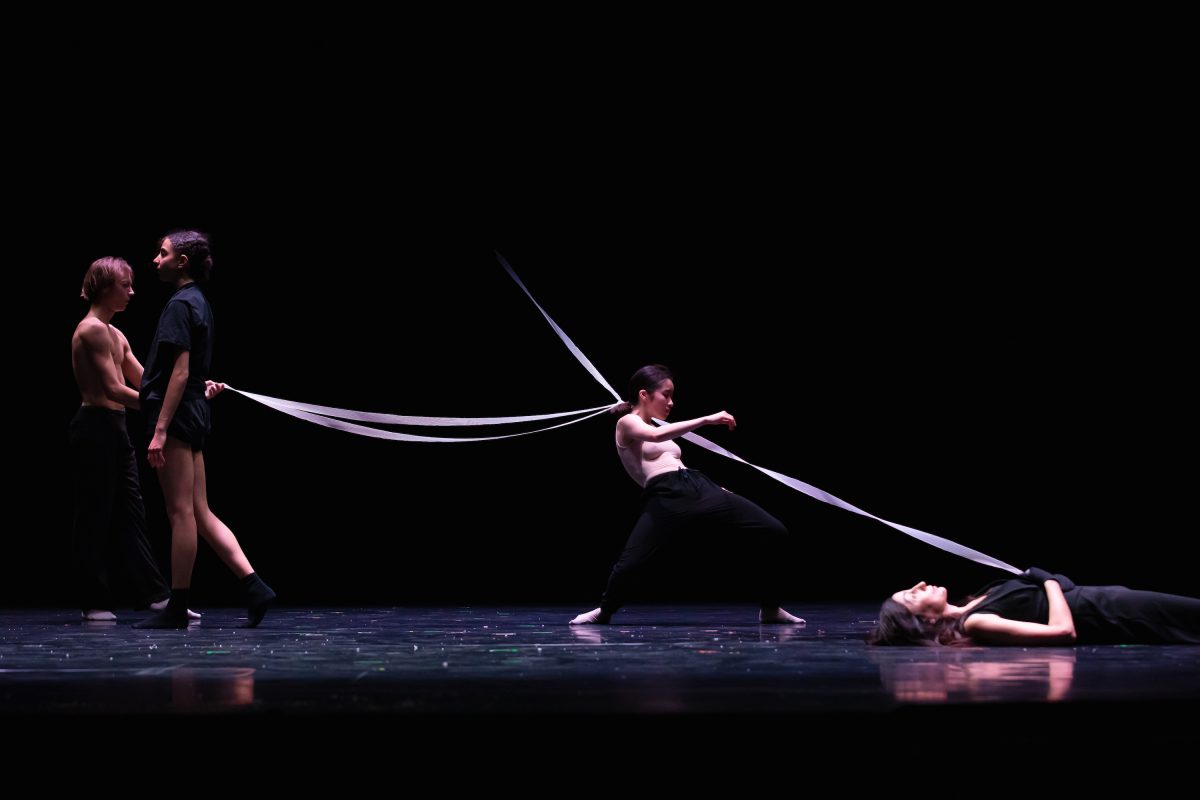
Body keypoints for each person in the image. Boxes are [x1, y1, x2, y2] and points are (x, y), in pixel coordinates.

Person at [570, 364, 803, 625]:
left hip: (696, 485)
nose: (671, 402)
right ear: (644, 394)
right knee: (631, 561)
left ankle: (770, 608)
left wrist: (717, 489)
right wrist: (706, 419)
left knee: (774, 531)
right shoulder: (627, 423)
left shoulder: (653, 425)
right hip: (666, 495)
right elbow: (655, 436)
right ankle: (604, 611)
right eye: (666, 395)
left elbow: (676, 463)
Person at [133, 231, 275, 629]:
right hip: (193, 410)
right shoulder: (198, 301)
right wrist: (199, 390)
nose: (155, 260)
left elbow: (179, 373)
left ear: (182, 262)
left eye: (162, 253)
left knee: (180, 513)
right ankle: (255, 586)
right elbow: (190, 371)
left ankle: (177, 606)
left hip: (177, 416)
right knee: (199, 510)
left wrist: (160, 430)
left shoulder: (180, 304)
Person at [70, 257, 203, 622]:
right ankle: (93, 600)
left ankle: (155, 594)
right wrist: (166, 407)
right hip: (94, 426)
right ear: (103, 287)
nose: (131, 292)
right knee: (95, 514)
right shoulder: (91, 329)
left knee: (132, 511)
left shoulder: (117, 335)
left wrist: (189, 392)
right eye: (124, 285)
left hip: (116, 427)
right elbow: (114, 389)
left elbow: (147, 385)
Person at [867, 568, 1200, 646]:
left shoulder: (974, 601)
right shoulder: (975, 622)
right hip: (1111, 614)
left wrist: (1046, 581)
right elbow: (1063, 631)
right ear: (924, 620)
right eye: (911, 595)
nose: (920, 584)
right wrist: (1049, 580)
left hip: (1111, 600)